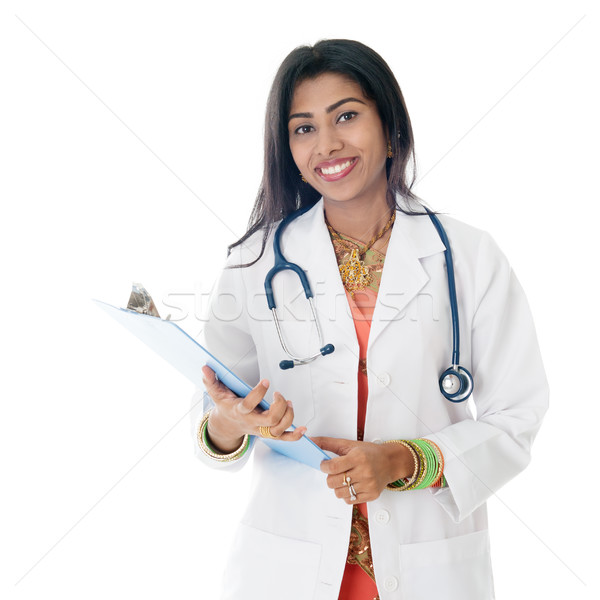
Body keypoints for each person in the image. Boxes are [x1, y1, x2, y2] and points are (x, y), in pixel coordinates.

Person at [191, 39, 548, 600]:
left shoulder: (470, 256)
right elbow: (209, 423)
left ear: (391, 127)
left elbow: (517, 416)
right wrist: (234, 422)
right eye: (303, 128)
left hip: (427, 562)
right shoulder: (254, 263)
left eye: (347, 116)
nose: (327, 144)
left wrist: (404, 459)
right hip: (289, 564)